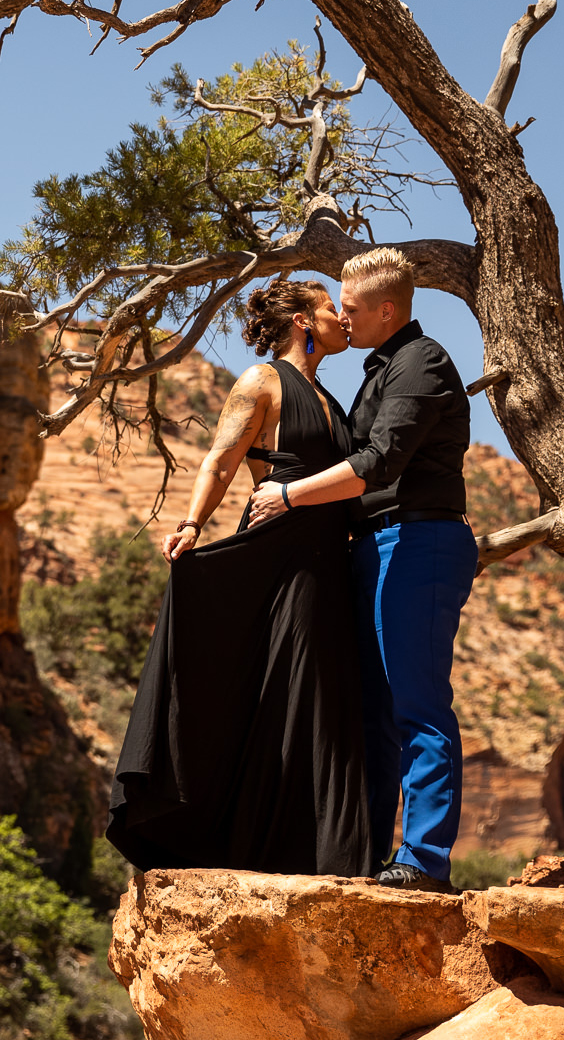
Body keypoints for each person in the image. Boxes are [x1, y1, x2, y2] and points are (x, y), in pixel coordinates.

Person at [106, 279, 372, 877]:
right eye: (333, 309)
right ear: (303, 319)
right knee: (298, 692)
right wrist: (193, 525)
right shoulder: (263, 380)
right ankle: (279, 854)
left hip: (330, 559)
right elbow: (221, 460)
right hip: (284, 555)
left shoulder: (327, 395)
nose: (343, 320)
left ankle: (315, 855)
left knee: (325, 697)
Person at [245, 248, 475, 895]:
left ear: (385, 309)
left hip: (421, 540)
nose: (341, 318)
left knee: (417, 704)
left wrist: (287, 496)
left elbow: (381, 460)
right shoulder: (378, 370)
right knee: (373, 713)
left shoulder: (421, 363)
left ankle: (424, 858)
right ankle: (370, 857)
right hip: (378, 546)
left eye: (349, 308)